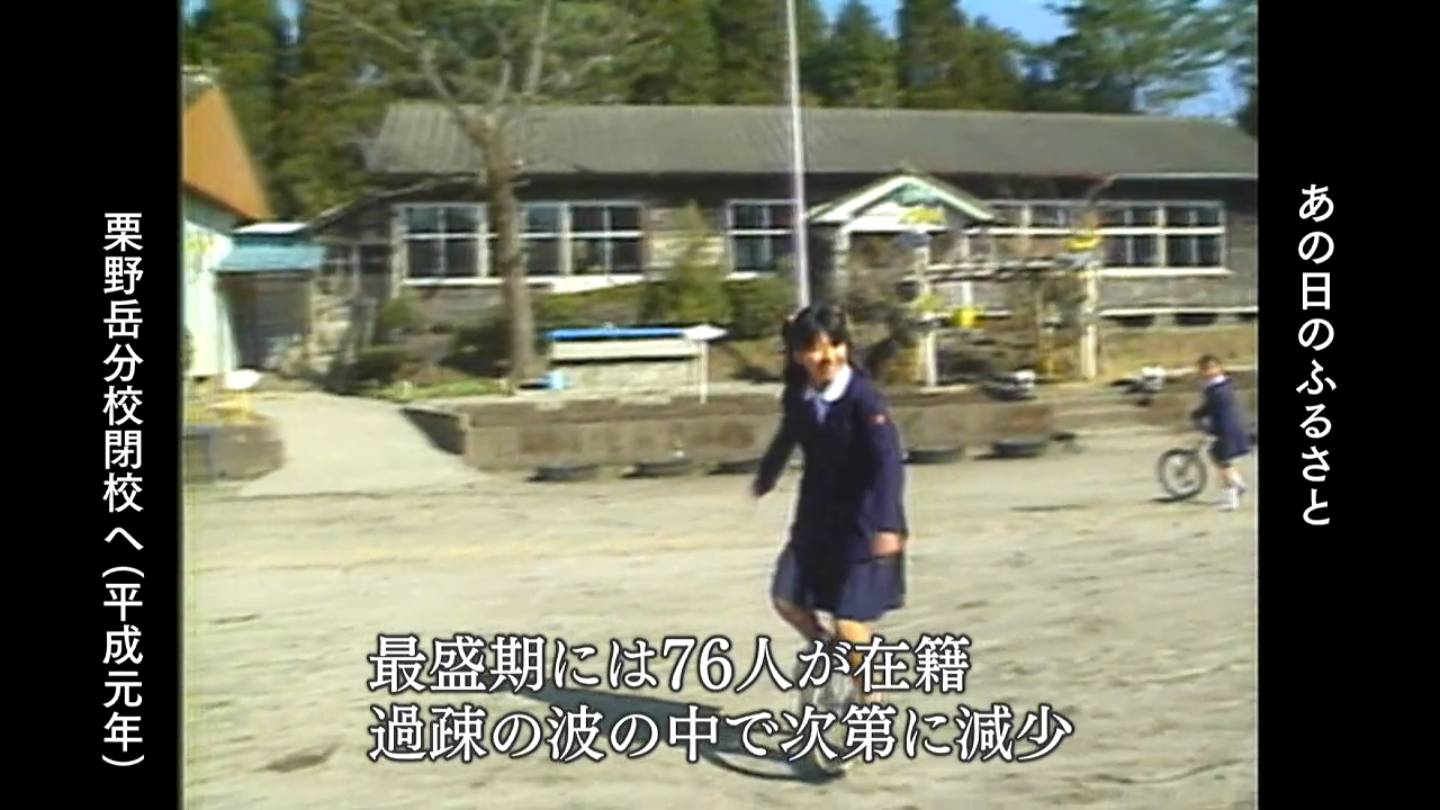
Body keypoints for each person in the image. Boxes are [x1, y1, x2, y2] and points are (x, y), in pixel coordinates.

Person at [751, 304, 908, 703]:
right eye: (815, 348)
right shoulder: (799, 395)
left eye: (835, 345)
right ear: (798, 354)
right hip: (817, 518)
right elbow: (788, 434)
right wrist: (767, 475)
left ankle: (870, 701)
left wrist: (888, 524)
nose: (827, 357)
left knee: (849, 621)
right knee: (786, 598)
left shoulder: (863, 398)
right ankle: (824, 647)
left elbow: (888, 461)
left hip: (864, 521)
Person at [1190, 354, 1251, 511]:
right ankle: (1238, 484)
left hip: (1225, 428)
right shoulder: (1224, 384)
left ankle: (1232, 497)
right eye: (1204, 369)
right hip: (1231, 426)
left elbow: (1214, 408)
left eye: (1209, 369)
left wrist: (1200, 417)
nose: (1206, 372)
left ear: (1219, 368)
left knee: (1222, 461)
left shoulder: (1217, 389)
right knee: (1219, 457)